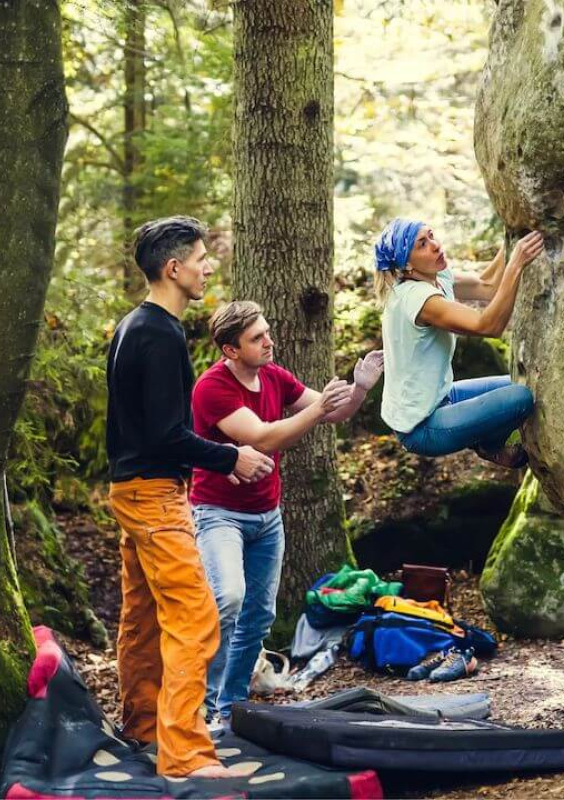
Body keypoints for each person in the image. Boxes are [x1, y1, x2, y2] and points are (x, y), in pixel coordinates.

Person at [105, 216, 274, 779]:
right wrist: (232, 456)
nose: (208, 267)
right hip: (153, 494)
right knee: (196, 615)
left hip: (133, 488)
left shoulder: (134, 325)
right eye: (201, 259)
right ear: (173, 269)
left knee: (144, 616)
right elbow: (164, 434)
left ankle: (144, 726)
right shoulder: (157, 334)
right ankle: (186, 754)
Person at [190, 300, 383, 726]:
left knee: (259, 615)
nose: (268, 341)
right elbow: (262, 439)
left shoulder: (274, 376)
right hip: (217, 513)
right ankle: (201, 705)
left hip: (266, 516)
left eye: (267, 332)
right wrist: (317, 410)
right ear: (230, 350)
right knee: (228, 599)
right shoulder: (212, 388)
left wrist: (360, 387)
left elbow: (338, 412)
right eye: (256, 338)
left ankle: (230, 707)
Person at [373, 218, 543, 467]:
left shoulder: (436, 276)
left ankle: (482, 435)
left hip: (442, 396)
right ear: (407, 264)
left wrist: (514, 235)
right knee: (520, 397)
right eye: (422, 244)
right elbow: (488, 326)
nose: (434, 245)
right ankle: (490, 446)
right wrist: (516, 263)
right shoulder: (418, 299)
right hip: (421, 427)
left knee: (519, 381)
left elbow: (487, 286)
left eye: (431, 235)